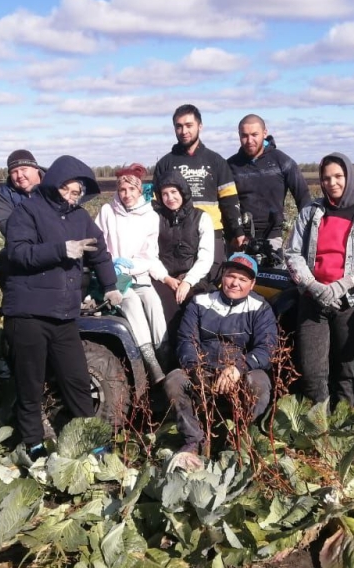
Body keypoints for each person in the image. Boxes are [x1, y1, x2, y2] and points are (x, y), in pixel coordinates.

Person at [1, 155, 123, 461]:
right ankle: (34, 444)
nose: (72, 198)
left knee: (77, 381)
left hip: (64, 314)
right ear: (55, 183)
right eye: (68, 191)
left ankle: (93, 442)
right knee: (29, 383)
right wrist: (60, 250)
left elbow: (100, 253)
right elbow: (17, 253)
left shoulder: (81, 218)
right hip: (27, 313)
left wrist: (110, 286)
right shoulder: (27, 211)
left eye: (77, 194)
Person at [284, 152, 354, 408]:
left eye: (338, 176)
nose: (332, 183)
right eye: (326, 178)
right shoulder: (310, 213)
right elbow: (292, 253)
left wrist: (342, 285)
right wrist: (313, 286)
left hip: (350, 302)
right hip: (312, 300)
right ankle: (320, 427)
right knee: (312, 369)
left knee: (347, 368)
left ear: (349, 176)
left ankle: (344, 424)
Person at [164, 253, 278, 465]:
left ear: (252, 284)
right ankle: (194, 439)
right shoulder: (199, 302)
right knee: (174, 380)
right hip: (203, 368)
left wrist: (238, 368)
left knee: (260, 383)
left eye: (243, 279)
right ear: (222, 276)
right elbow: (186, 341)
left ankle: (238, 437)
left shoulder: (261, 309)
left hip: (240, 371)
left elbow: (267, 348)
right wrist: (195, 368)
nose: (235, 283)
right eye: (230, 276)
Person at [94, 163, 167, 384]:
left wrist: (130, 267)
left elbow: (149, 254)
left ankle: (164, 354)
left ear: (139, 190)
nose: (127, 195)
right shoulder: (107, 211)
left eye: (131, 190)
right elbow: (98, 244)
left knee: (153, 302)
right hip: (113, 275)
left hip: (138, 274)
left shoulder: (150, 217)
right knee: (132, 302)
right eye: (122, 190)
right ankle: (151, 365)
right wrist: (111, 266)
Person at [152, 104, 244, 263]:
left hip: (211, 232)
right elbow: (157, 203)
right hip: (176, 233)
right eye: (179, 126)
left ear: (200, 126)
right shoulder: (165, 163)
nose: (184, 131)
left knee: (211, 281)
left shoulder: (216, 161)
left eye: (189, 125)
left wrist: (237, 230)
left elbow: (229, 200)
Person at [227, 114, 311, 252]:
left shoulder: (281, 161)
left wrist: (307, 232)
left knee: (271, 272)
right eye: (244, 135)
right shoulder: (230, 166)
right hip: (240, 238)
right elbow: (225, 204)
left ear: (264, 133)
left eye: (254, 134)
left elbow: (303, 197)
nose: (249, 140)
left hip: (272, 237)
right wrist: (234, 234)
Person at [149, 173, 216, 328]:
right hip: (163, 277)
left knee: (194, 308)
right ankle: (168, 348)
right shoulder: (154, 218)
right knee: (164, 306)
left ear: (183, 192)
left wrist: (188, 281)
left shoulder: (201, 217)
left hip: (193, 276)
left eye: (174, 192)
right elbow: (150, 253)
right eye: (164, 194)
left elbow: (206, 256)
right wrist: (166, 278)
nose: (170, 198)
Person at [0, 149, 42, 237]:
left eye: (23, 169)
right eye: (14, 172)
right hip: (22, 245)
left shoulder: (56, 185)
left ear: (36, 169)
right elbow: (6, 226)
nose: (19, 175)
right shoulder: (5, 194)